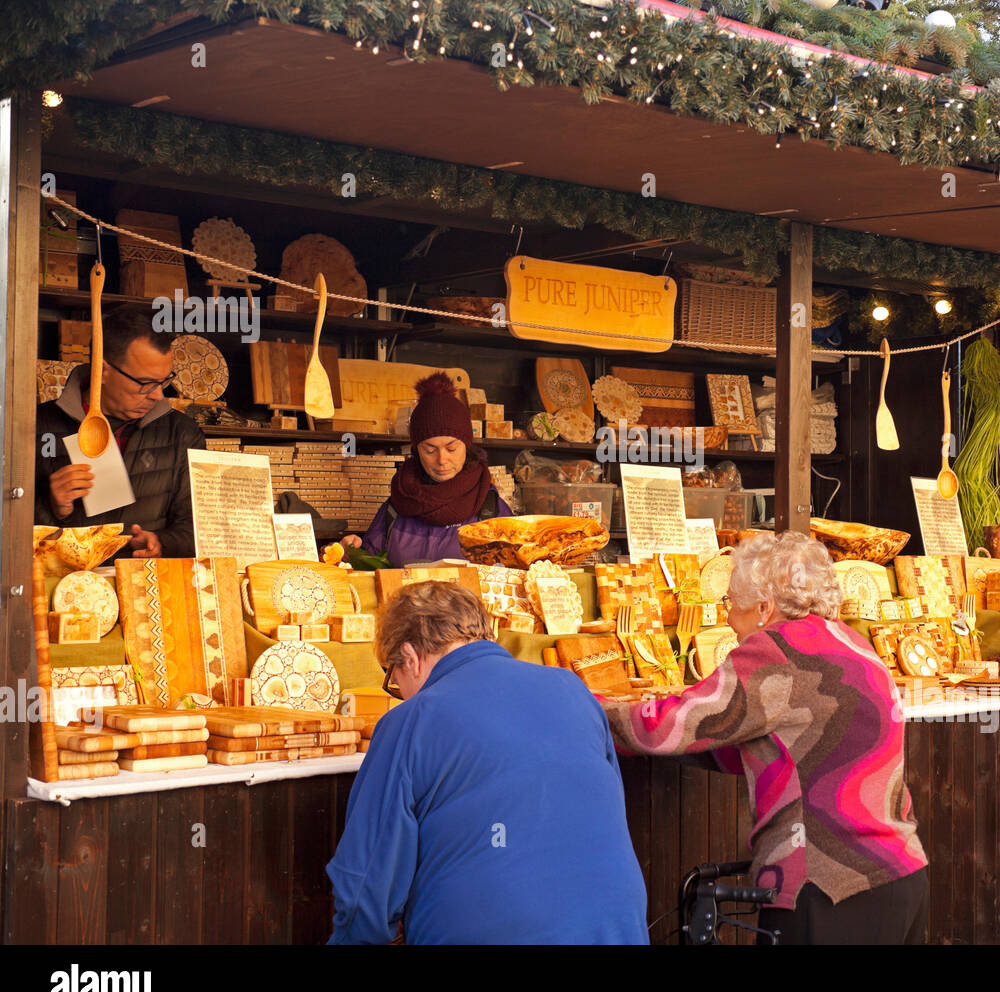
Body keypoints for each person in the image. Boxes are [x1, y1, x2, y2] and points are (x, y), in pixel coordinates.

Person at [601, 531, 928, 945]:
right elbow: (775, 748)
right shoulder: (855, 644)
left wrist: (585, 709)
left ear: (763, 607)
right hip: (902, 877)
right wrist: (690, 746)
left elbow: (669, 725)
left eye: (730, 604)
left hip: (829, 888)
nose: (727, 618)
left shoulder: (774, 652)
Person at [327, 580, 649, 945]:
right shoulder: (573, 689)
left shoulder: (411, 720)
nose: (399, 692)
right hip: (618, 930)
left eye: (393, 678)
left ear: (410, 656)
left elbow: (367, 888)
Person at [35, 311, 205, 558]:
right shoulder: (35, 427)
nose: (158, 395)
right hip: (67, 590)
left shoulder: (183, 435)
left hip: (146, 586)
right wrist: (51, 507)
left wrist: (162, 543)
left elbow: (199, 529)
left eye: (164, 381)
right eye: (146, 383)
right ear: (102, 370)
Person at [342, 373, 510, 567]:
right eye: (429, 450)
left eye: (451, 448)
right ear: (416, 450)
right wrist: (351, 555)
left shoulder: (492, 510)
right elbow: (370, 569)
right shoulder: (397, 505)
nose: (442, 460)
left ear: (467, 445)